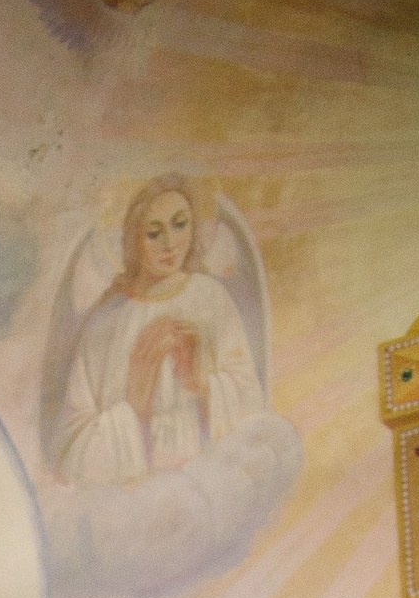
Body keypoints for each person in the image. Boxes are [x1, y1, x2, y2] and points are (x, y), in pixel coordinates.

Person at [45, 174, 266, 485]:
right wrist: (134, 405)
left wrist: (201, 383)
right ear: (134, 240)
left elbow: (252, 402)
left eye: (180, 225)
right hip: (136, 491)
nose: (170, 244)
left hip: (207, 479)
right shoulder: (107, 322)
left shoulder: (211, 299)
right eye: (154, 233)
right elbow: (71, 448)